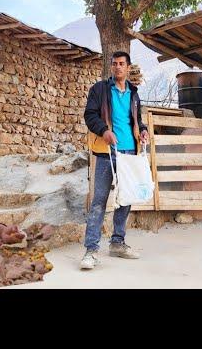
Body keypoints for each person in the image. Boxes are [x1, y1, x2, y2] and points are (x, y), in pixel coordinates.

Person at [81, 51, 149, 270]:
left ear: (128, 67)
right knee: (99, 200)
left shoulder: (134, 93)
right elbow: (90, 115)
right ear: (111, 67)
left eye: (122, 64)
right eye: (114, 64)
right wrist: (103, 131)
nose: (118, 67)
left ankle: (117, 243)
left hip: (130, 152)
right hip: (106, 152)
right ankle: (91, 250)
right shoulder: (100, 90)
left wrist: (144, 131)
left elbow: (137, 120)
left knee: (126, 197)